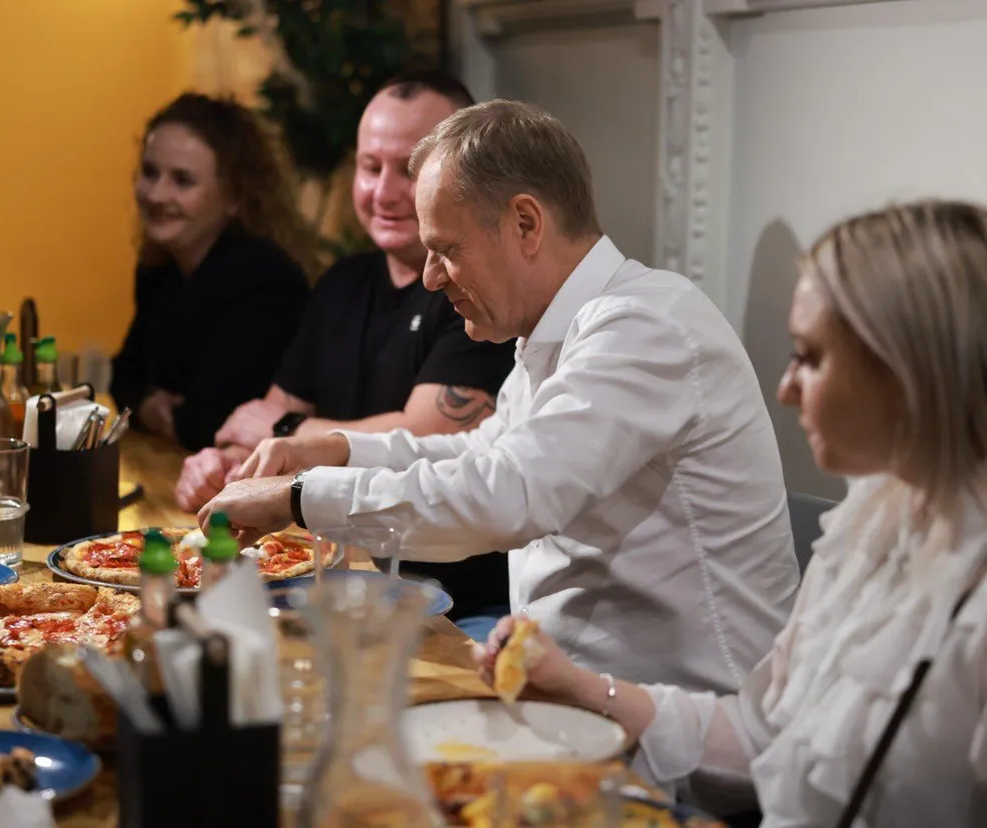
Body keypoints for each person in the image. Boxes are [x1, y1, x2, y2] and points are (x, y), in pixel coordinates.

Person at [199, 100, 799, 694]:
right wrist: (333, 451)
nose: (431, 277)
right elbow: (481, 452)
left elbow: (508, 495)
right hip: (568, 691)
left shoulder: (644, 326)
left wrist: (300, 497)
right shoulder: (562, 328)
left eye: (447, 249)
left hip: (685, 725)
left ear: (525, 224)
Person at [471, 200, 987, 826]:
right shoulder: (871, 523)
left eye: (811, 357)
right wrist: (580, 688)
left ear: (907, 373)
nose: (786, 389)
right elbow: (760, 732)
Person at [179, 73, 516, 634]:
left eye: (409, 169)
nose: (384, 191)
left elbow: (431, 436)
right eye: (370, 166)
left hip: (463, 609)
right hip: (338, 586)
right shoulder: (342, 283)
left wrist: (288, 431)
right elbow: (258, 432)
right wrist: (225, 468)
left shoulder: (479, 295)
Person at [111, 93, 314, 451]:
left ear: (235, 197)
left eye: (182, 180)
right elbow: (122, 378)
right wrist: (151, 406)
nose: (156, 194)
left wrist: (154, 405)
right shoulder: (160, 269)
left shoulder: (265, 281)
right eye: (150, 172)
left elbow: (208, 424)